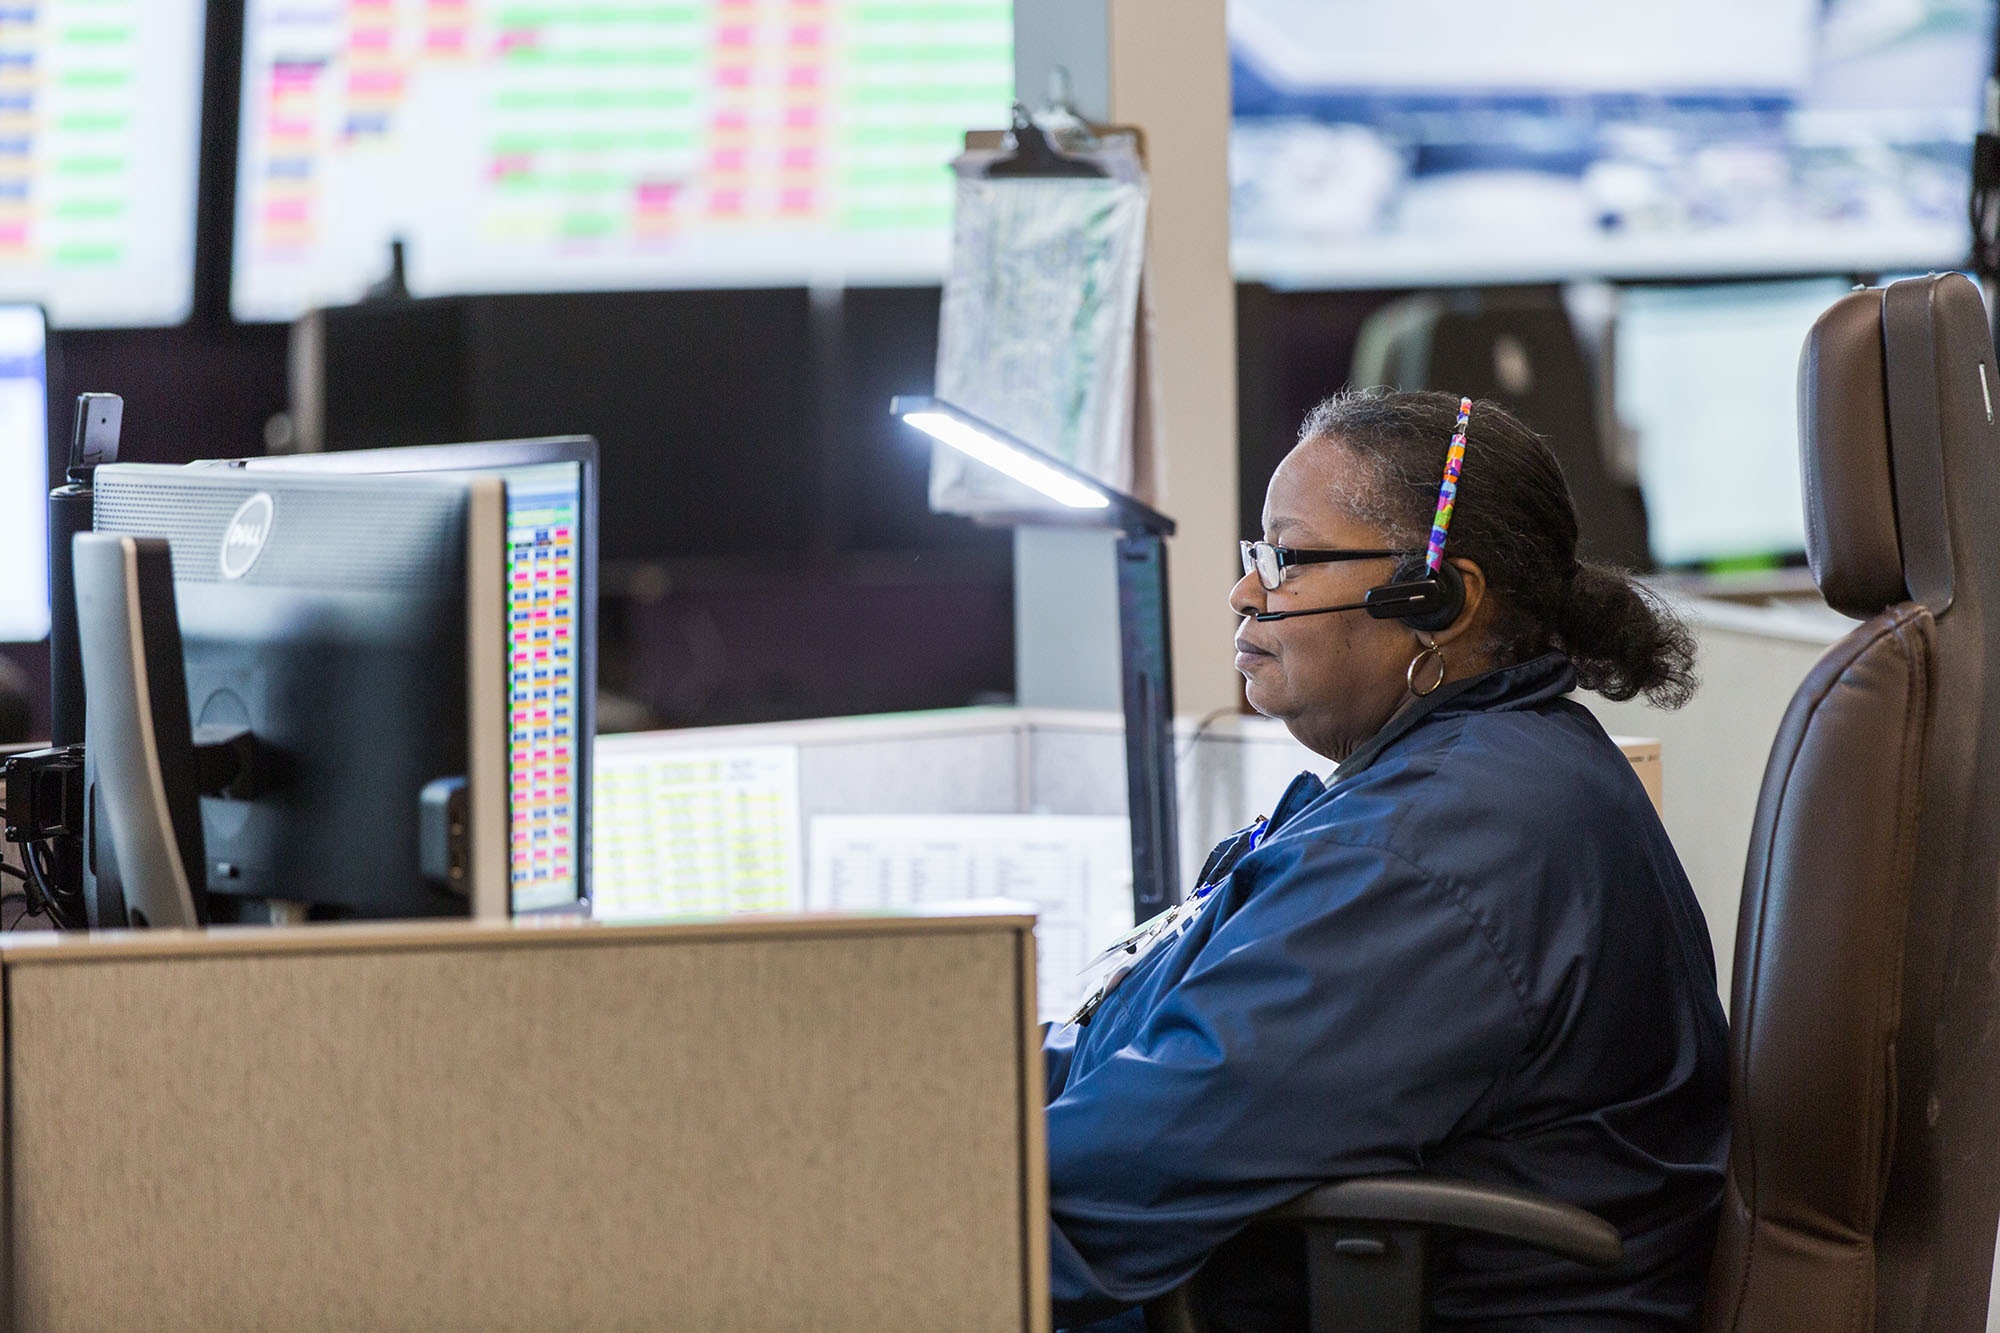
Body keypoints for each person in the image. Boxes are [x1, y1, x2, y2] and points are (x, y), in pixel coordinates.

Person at [1043, 390, 1728, 1331]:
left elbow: (1116, 1179)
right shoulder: (1461, 778)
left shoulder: (1433, 852)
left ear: (1441, 600)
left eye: (1287, 557)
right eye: (1256, 555)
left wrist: (881, 1209)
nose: (1248, 591)